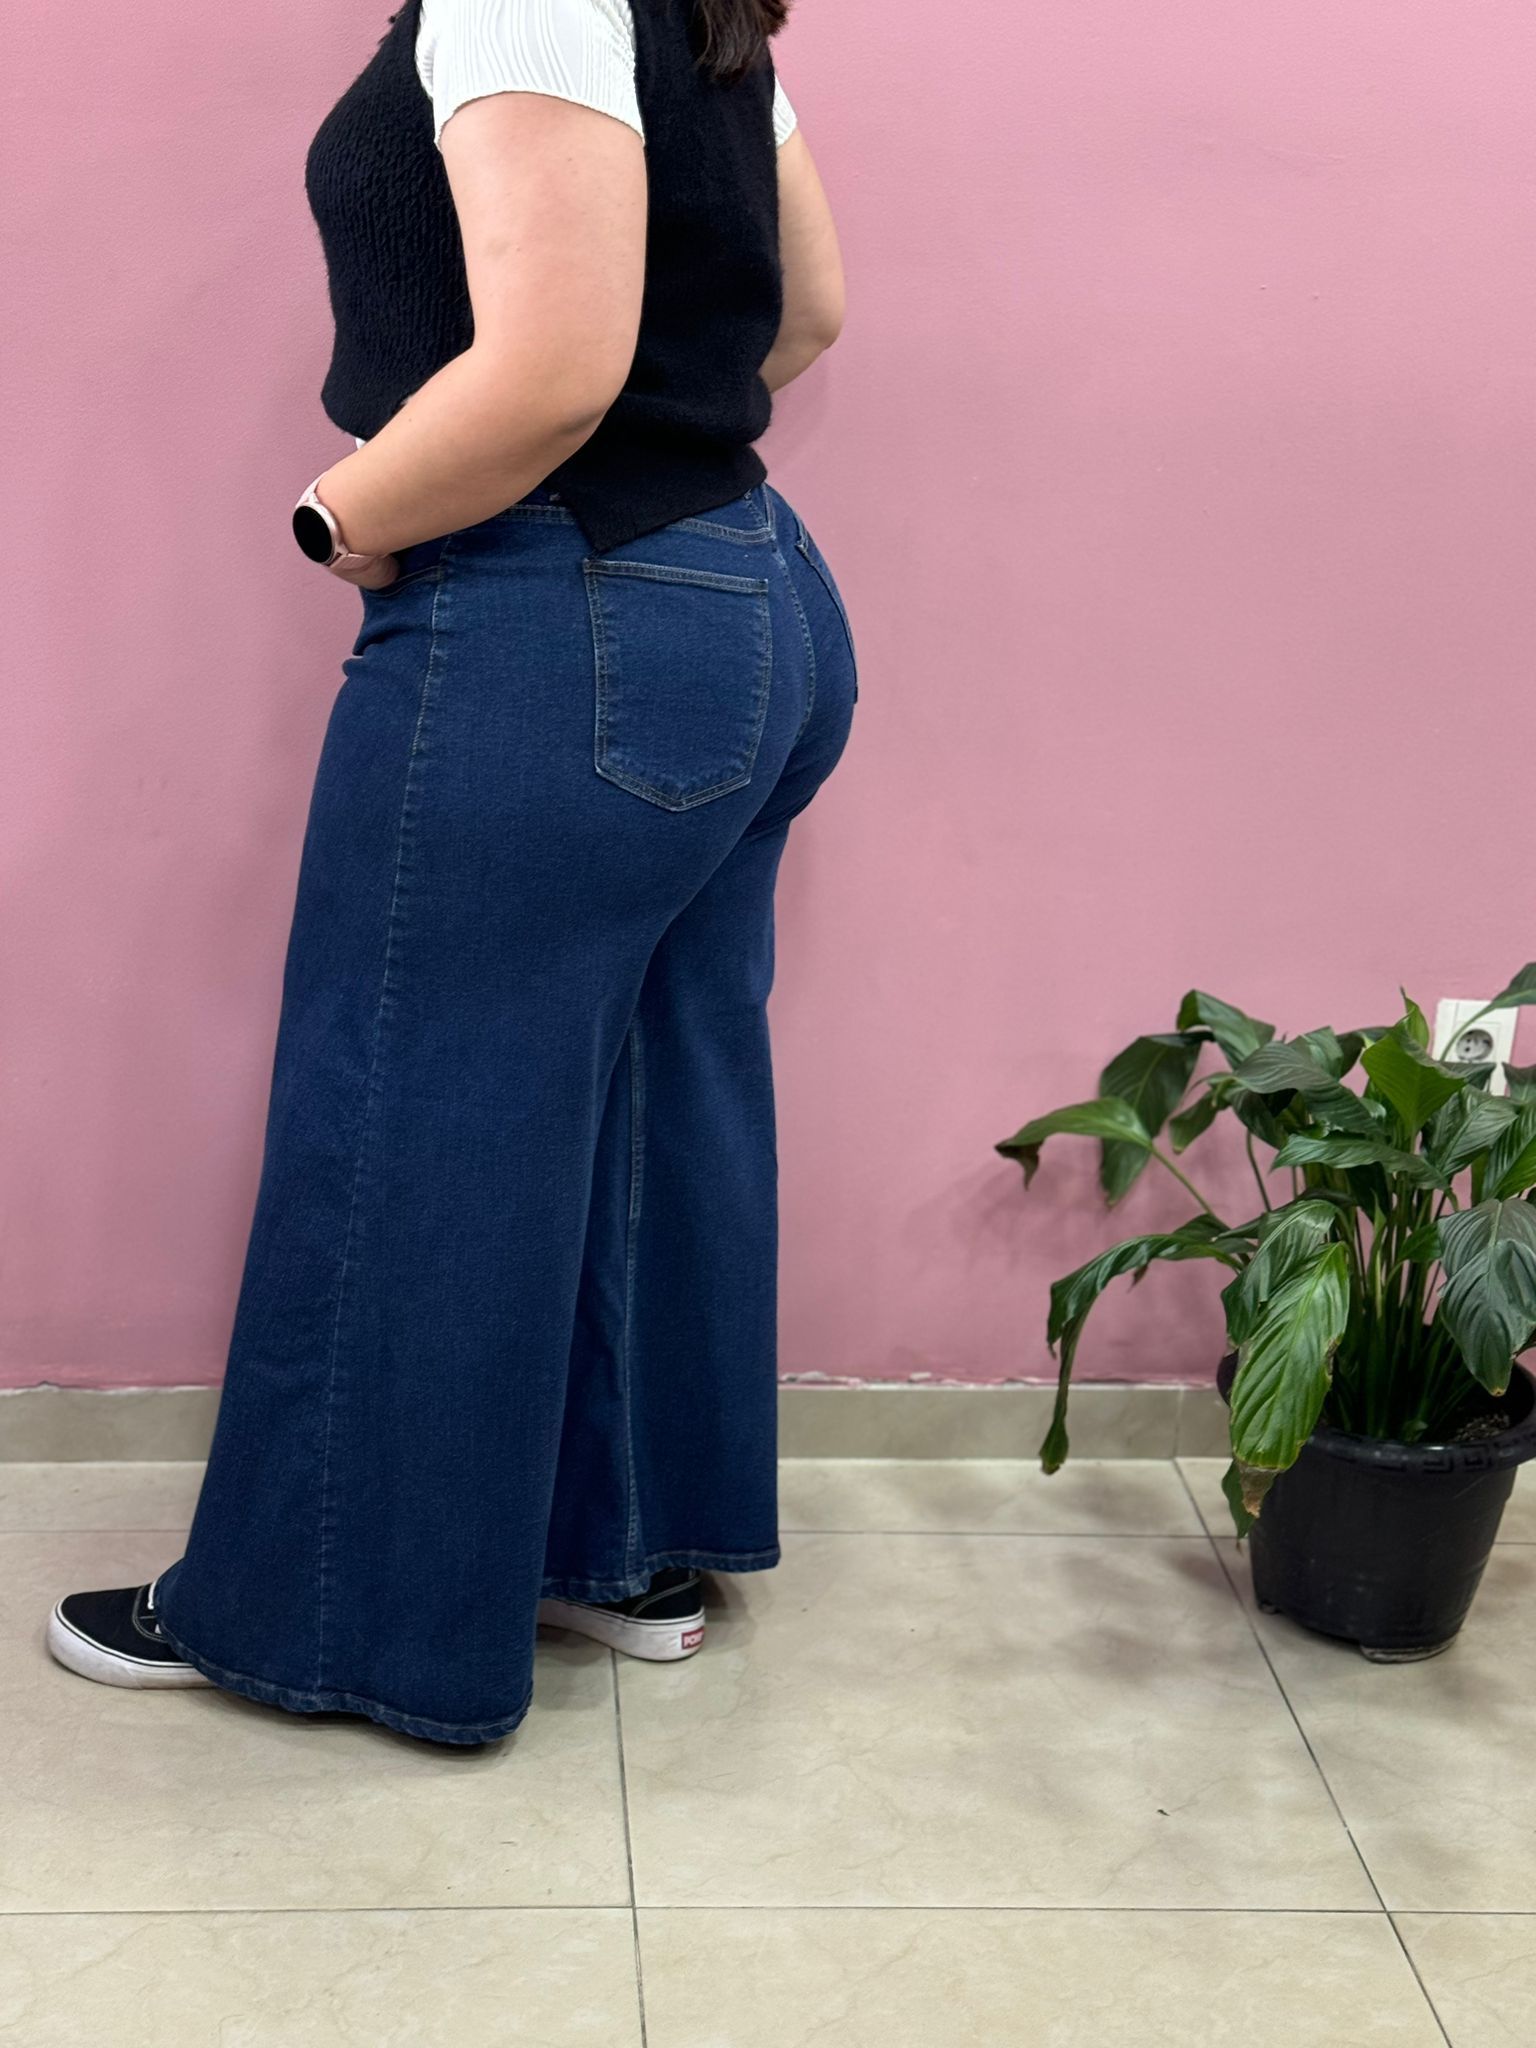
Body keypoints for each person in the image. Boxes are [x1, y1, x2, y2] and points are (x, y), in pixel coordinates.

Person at [46, 0, 856, 1746]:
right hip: (747, 593)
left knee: (409, 1115)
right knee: (645, 1103)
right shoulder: (704, 6)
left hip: (560, 609)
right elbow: (807, 312)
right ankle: (617, 1552)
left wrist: (345, 512)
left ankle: (331, 1623)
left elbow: (553, 368)